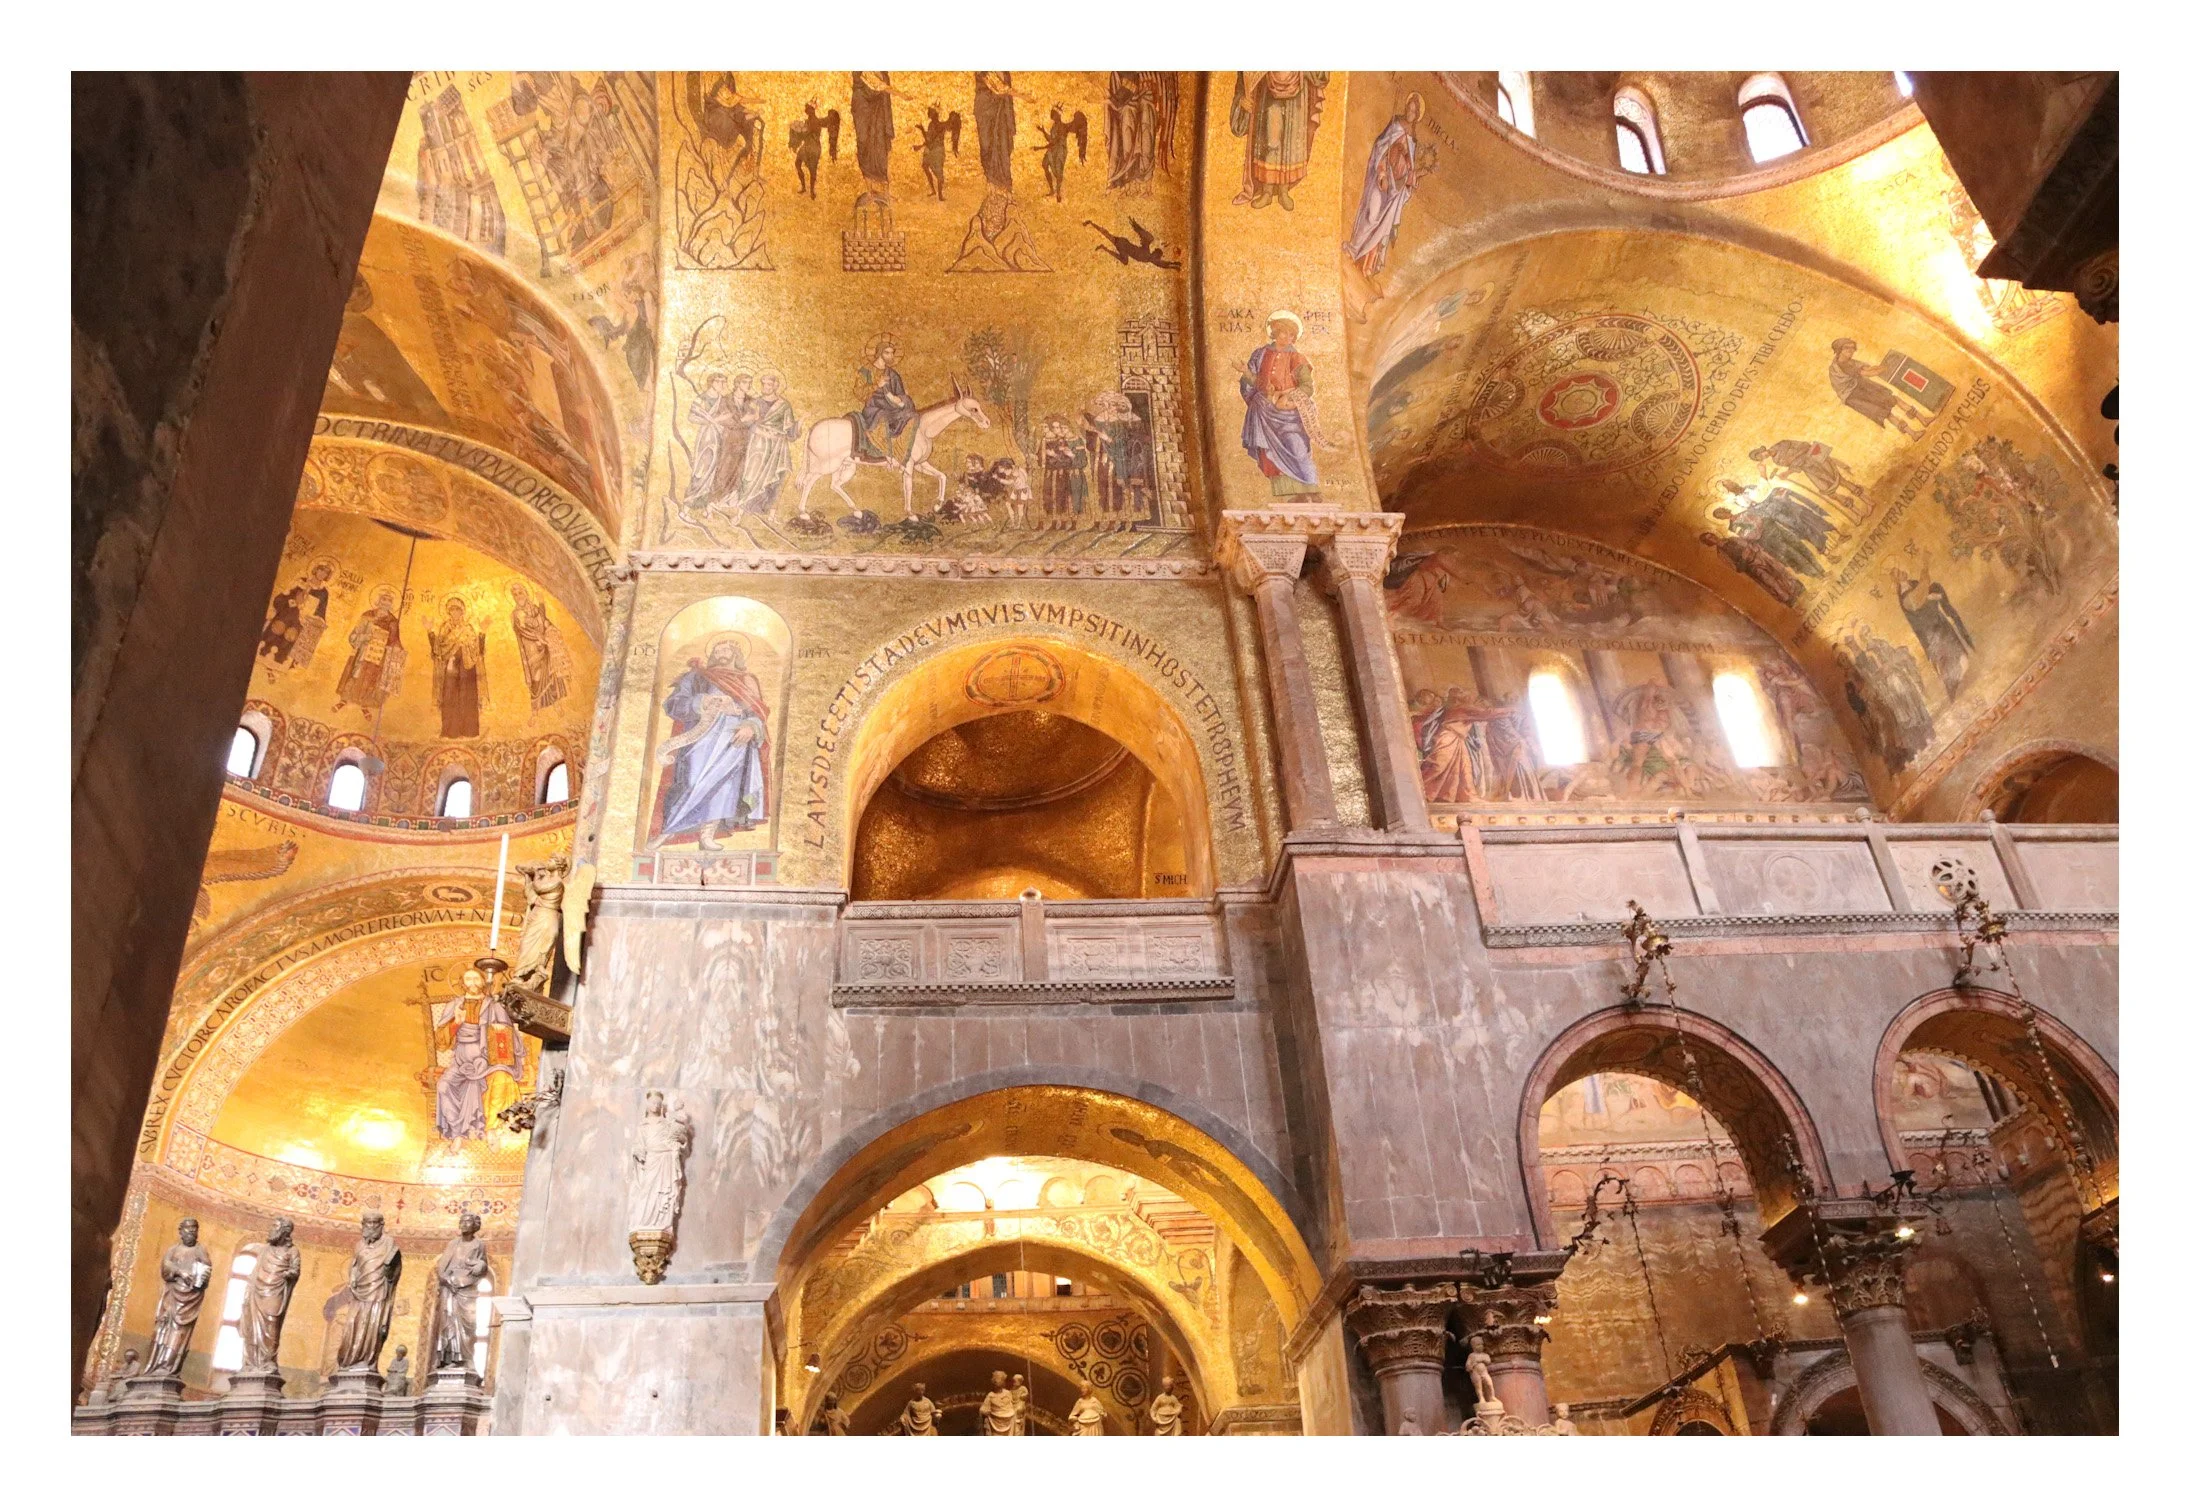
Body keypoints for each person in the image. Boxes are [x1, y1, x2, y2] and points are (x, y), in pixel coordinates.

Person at [651, 634, 771, 850]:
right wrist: (703, 701)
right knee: (692, 781)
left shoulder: (747, 680)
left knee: (724, 786)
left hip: (733, 740)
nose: (720, 653)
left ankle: (707, 835)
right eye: (717, 649)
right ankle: (669, 830)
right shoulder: (697, 677)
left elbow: (758, 711)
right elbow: (673, 704)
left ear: (736, 654)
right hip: (699, 738)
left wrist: (750, 726)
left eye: (725, 649)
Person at [1344, 92, 1429, 276]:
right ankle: (1353, 248)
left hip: (1394, 190)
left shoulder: (1413, 139)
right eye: (1409, 109)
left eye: (1414, 112)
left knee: (1382, 226)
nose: (1410, 113)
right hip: (1382, 179)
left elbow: (1408, 169)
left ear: (1417, 116)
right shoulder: (1396, 125)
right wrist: (1382, 173)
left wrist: (1414, 177)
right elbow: (1380, 148)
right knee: (1371, 216)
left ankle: (1365, 264)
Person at [1239, 312, 1319, 496]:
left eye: (1291, 334)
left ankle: (1312, 490)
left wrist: (1289, 398)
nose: (1287, 337)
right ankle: (1288, 496)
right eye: (1283, 332)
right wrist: (1247, 374)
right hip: (1264, 411)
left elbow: (1307, 387)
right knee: (1270, 458)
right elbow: (1252, 382)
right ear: (1274, 333)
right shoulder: (1260, 354)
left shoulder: (1297, 358)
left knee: (1296, 448)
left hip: (1289, 414)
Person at [1229, 72, 1329, 210]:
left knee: (1292, 139)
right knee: (1270, 140)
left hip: (1297, 87)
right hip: (1269, 86)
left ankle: (1283, 191)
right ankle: (1267, 191)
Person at [146, 1219, 213, 1377]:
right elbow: (166, 1266)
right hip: (171, 1296)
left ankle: (168, 1367)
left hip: (188, 1301)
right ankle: (155, 1365)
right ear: (181, 1232)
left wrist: (199, 1278)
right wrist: (180, 1272)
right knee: (161, 1329)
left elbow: (206, 1270)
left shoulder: (200, 1250)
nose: (191, 1233)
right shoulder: (173, 1250)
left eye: (194, 1230)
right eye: (188, 1229)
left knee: (179, 1333)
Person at [237, 1217, 301, 1374]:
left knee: (271, 1324)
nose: (271, 1230)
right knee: (252, 1325)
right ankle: (251, 1362)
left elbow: (296, 1269)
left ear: (284, 1232)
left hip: (275, 1291)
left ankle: (267, 1361)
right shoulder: (265, 1249)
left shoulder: (292, 1251)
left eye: (275, 1227)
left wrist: (290, 1273)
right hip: (256, 1291)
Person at [430, 1212, 491, 1372]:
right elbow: (441, 1268)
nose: (464, 1224)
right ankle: (447, 1359)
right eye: (462, 1221)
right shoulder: (453, 1244)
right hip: (450, 1290)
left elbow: (482, 1268)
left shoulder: (479, 1245)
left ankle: (464, 1360)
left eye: (468, 1222)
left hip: (467, 1291)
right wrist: (448, 1281)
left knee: (467, 1325)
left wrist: (480, 1267)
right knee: (447, 1322)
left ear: (475, 1225)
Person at [731, 373, 799, 516]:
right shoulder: (755, 402)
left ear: (775, 386)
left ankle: (771, 513)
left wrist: (799, 426)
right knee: (751, 475)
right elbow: (747, 423)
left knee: (778, 477)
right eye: (763, 384)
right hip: (758, 444)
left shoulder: (784, 405)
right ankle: (741, 511)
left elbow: (790, 432)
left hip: (778, 447)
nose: (765, 387)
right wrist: (762, 431)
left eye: (769, 384)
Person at [334, 587, 405, 710]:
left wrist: (397, 649)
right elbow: (354, 634)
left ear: (392, 604)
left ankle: (364, 704)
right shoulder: (367, 615)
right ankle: (344, 699)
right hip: (363, 650)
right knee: (355, 673)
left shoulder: (392, 621)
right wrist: (367, 637)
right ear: (379, 601)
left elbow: (395, 640)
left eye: (389, 601)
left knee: (371, 678)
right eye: (384, 599)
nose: (386, 603)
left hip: (378, 654)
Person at [428, 597, 487, 739]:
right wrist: (430, 632)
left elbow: (477, 650)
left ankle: (469, 730)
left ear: (462, 612)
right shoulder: (445, 628)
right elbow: (438, 648)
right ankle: (450, 731)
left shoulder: (468, 628)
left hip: (467, 667)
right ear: (448, 612)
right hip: (451, 666)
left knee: (467, 696)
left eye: (457, 610)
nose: (455, 613)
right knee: (450, 696)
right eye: (452, 610)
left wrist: (482, 634)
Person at [258, 562, 334, 669]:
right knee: (277, 628)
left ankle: (278, 665)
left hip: (301, 620)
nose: (322, 574)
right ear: (316, 570)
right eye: (320, 570)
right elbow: (284, 596)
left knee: (291, 636)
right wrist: (292, 601)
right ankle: (263, 656)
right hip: (287, 613)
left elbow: (321, 611)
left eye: (325, 573)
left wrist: (315, 618)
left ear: (327, 576)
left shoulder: (323, 593)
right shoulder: (301, 582)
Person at [509, 582, 570, 711]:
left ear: (526, 593)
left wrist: (551, 629)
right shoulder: (516, 614)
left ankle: (556, 702)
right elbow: (522, 630)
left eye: (520, 593)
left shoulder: (535, 608)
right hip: (531, 649)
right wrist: (538, 637)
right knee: (536, 675)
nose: (518, 596)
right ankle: (535, 709)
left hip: (545, 644)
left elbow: (543, 621)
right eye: (515, 594)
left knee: (551, 672)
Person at [856, 337, 917, 463]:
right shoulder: (866, 371)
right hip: (873, 409)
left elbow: (900, 395)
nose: (891, 356)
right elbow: (858, 392)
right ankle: (881, 451)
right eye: (887, 352)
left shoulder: (893, 375)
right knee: (882, 415)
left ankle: (900, 451)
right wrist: (876, 385)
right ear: (879, 353)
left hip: (892, 408)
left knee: (913, 416)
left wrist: (899, 399)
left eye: (892, 353)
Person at [980, 1370, 1019, 1436]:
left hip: (1009, 1422)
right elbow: (982, 1409)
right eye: (996, 1382)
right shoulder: (991, 1395)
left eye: (1000, 1380)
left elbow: (1011, 1405)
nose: (996, 1384)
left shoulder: (1007, 1393)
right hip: (995, 1425)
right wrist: (987, 1412)